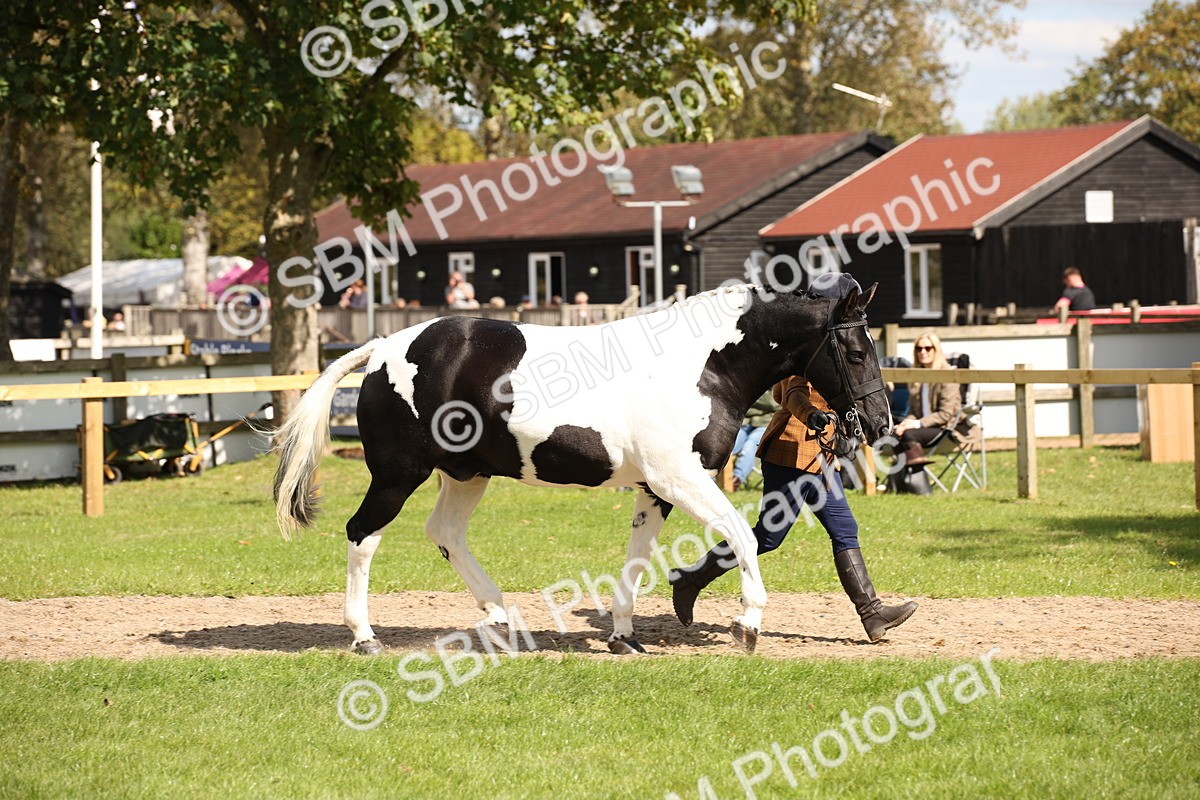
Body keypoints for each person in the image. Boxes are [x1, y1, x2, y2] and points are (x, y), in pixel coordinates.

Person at [670, 376, 919, 642]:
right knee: (768, 537)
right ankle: (690, 579)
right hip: (790, 453)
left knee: (845, 529)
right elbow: (792, 394)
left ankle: (872, 613)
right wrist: (811, 414)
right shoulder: (805, 356)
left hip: (822, 456)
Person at [890, 331, 961, 494]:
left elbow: (945, 415)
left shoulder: (947, 375)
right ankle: (901, 486)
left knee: (909, 434)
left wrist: (914, 424)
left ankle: (921, 488)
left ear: (936, 350)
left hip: (946, 429)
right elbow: (914, 411)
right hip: (922, 427)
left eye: (928, 348)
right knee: (895, 433)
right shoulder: (917, 376)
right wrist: (905, 423)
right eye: (919, 348)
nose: (923, 352)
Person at [729, 389, 779, 491]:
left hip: (766, 424)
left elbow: (772, 402)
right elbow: (739, 401)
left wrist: (749, 398)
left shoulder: (778, 381)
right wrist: (762, 408)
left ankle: (735, 480)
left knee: (750, 446)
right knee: (727, 443)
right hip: (745, 423)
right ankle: (711, 478)